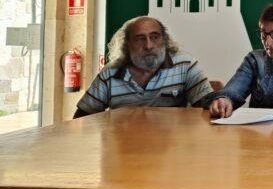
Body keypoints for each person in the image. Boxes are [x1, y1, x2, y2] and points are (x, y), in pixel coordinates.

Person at [74, 16, 212, 117]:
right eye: (140, 39)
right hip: (124, 148)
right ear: (127, 45)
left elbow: (207, 109)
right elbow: (83, 117)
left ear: (164, 40)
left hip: (172, 147)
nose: (148, 46)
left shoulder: (185, 65)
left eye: (154, 37)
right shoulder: (110, 73)